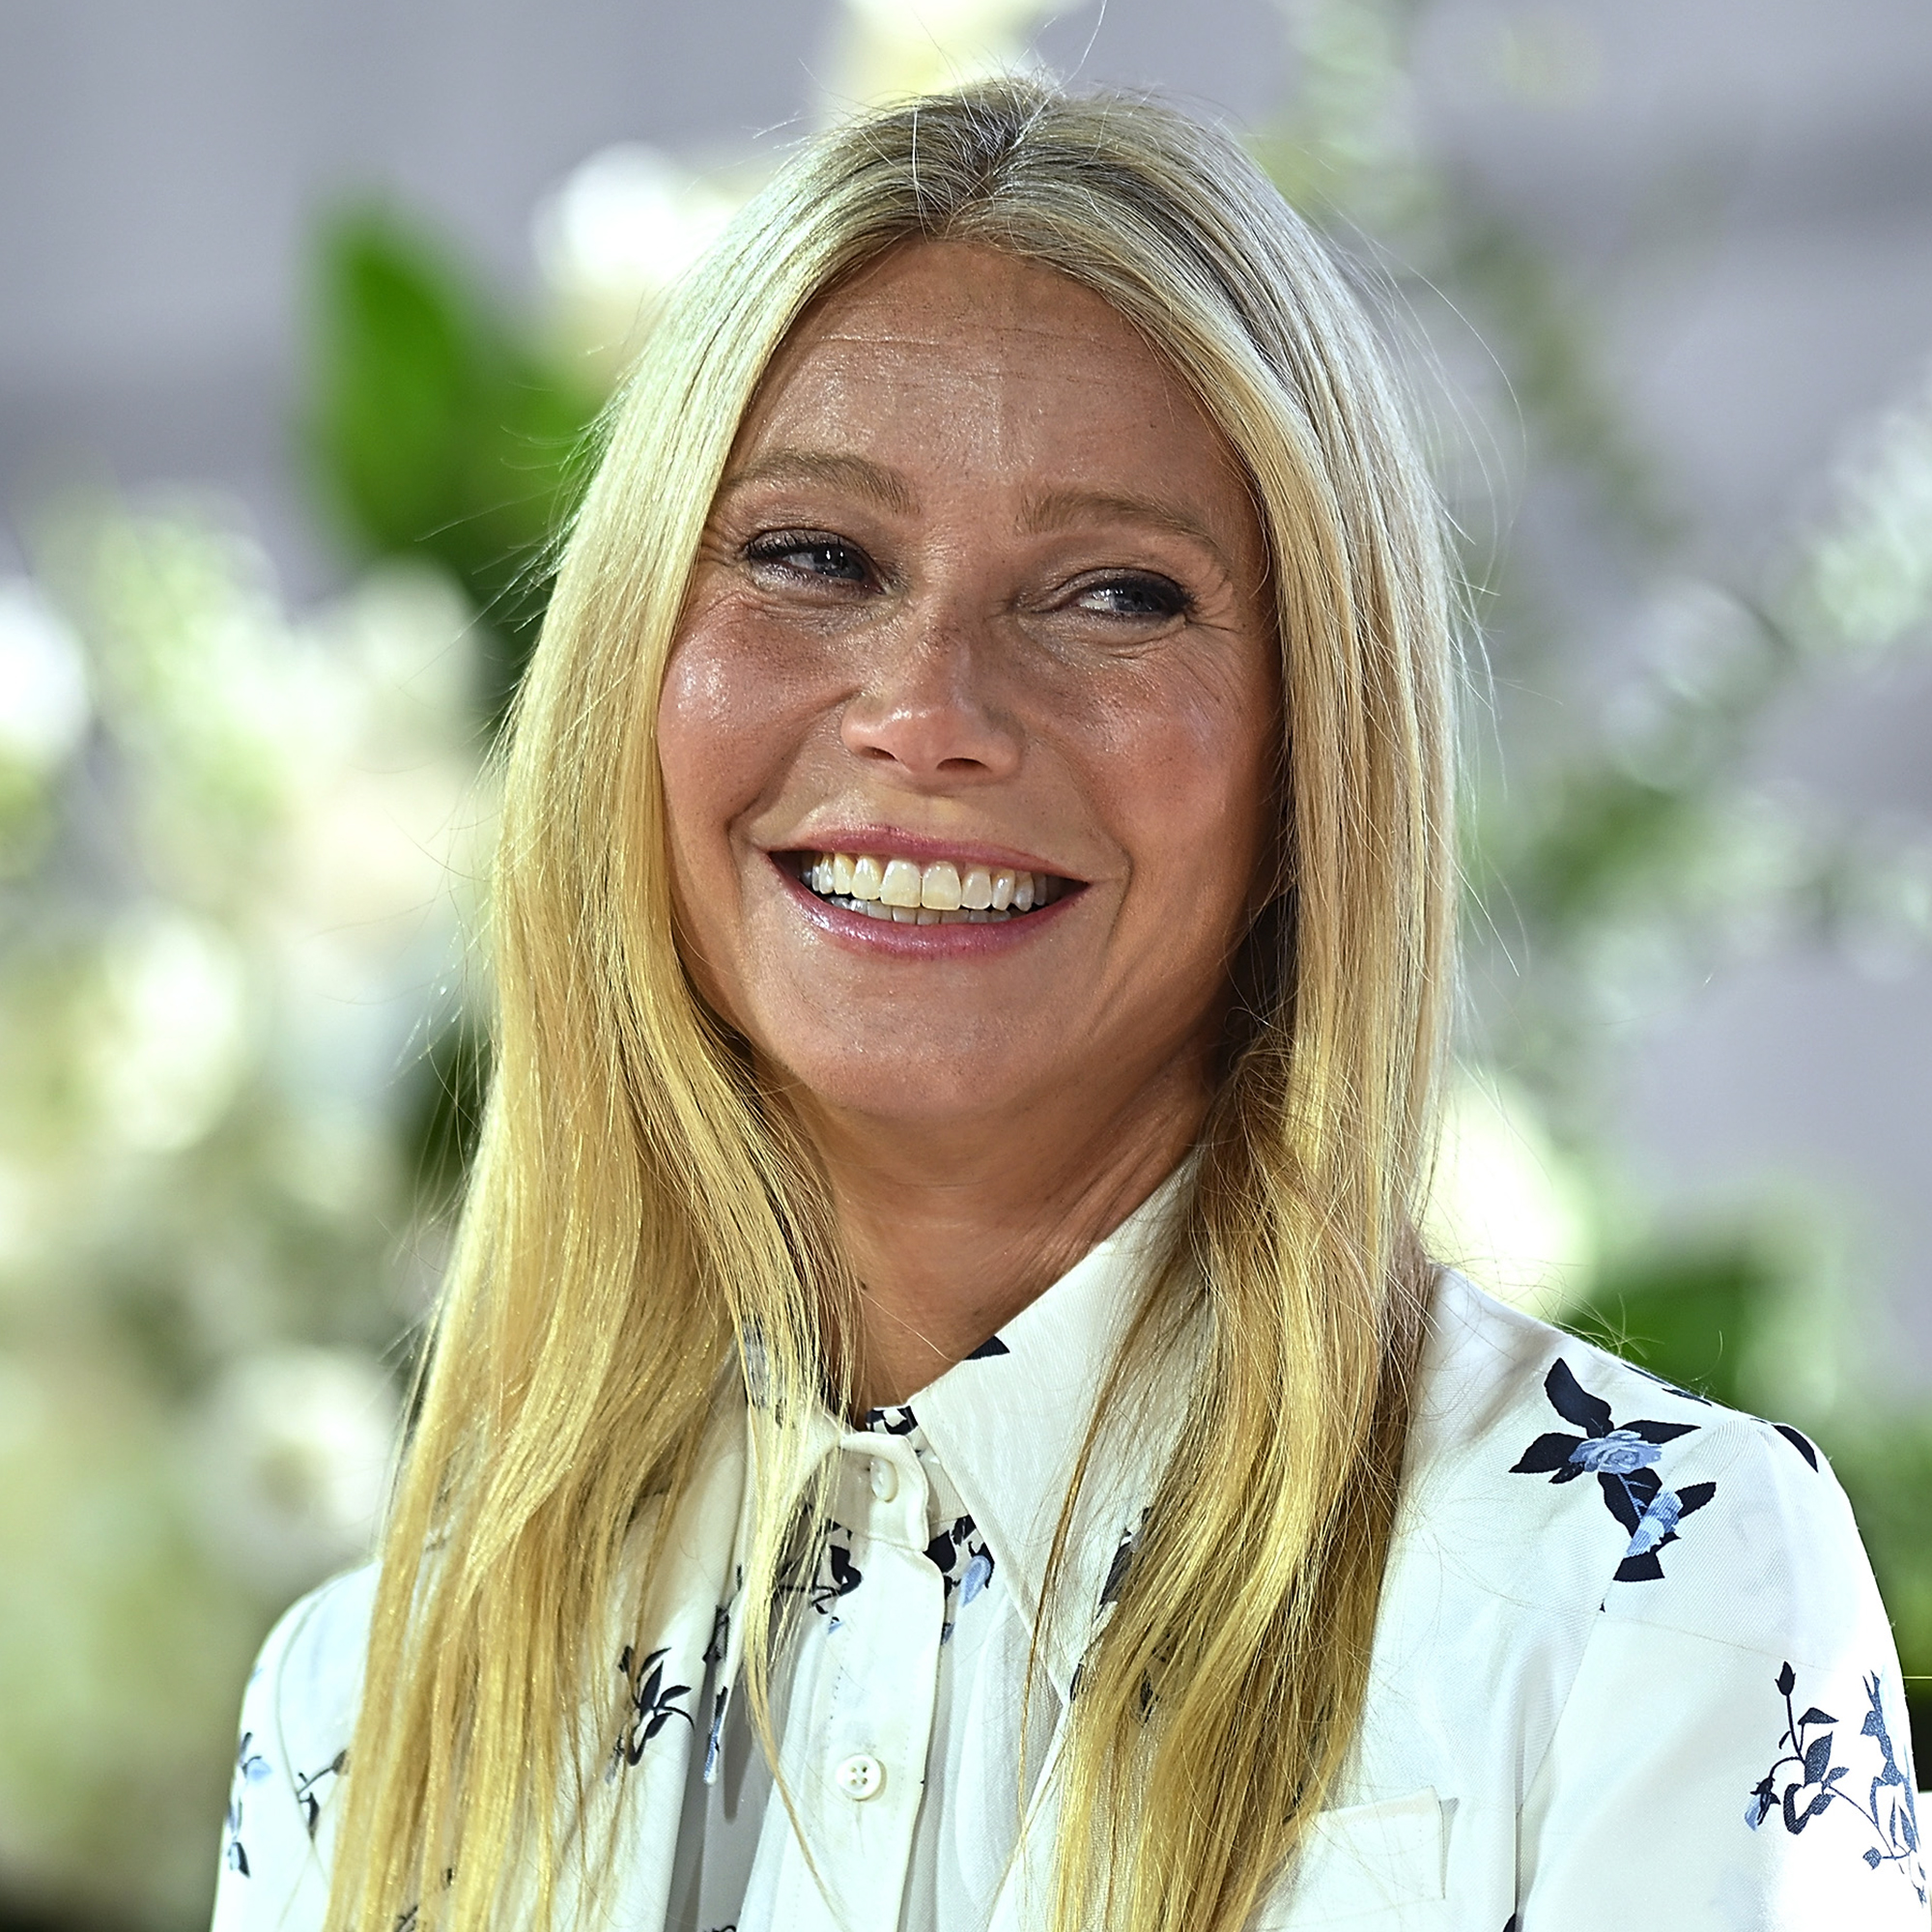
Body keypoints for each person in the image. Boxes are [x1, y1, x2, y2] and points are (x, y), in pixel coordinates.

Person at [211, 79, 1923, 1932]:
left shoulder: (1648, 1599)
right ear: (630, 666)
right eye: (812, 557)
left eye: (1116, 593)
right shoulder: (369, 1701)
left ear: (1310, 751)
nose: (927, 706)